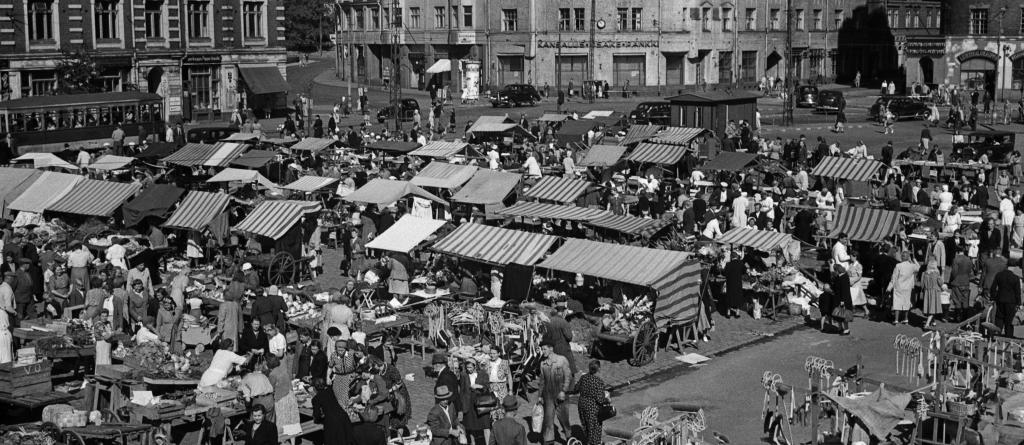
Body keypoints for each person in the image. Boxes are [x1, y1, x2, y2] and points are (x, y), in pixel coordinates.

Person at [538, 340, 572, 445]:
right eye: (541, 349)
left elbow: (568, 376)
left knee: (564, 418)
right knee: (548, 420)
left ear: (551, 348)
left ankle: (569, 438)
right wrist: (540, 396)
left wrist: (563, 391)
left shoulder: (561, 360)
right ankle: (549, 441)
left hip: (560, 394)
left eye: (544, 349)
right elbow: (542, 381)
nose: (542, 351)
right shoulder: (543, 364)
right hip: (548, 396)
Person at [311, 377, 353, 445]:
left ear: (314, 388)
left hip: (332, 422)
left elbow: (317, 415)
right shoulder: (330, 391)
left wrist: (319, 420)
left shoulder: (316, 398)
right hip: (343, 417)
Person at [576, 360, 609, 445]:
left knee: (586, 426)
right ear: (599, 369)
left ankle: (589, 441)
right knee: (595, 428)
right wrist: (608, 399)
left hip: (582, 404)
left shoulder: (583, 377)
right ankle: (595, 443)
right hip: (592, 407)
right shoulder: (598, 382)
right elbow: (600, 400)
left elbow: (576, 388)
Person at [267, 355, 302, 435]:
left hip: (281, 398)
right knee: (292, 421)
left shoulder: (272, 374)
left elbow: (270, 388)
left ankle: (282, 440)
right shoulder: (283, 370)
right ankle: (293, 442)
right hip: (290, 396)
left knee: (282, 421)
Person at [460, 359, 492, 445]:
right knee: (470, 425)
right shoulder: (463, 375)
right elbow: (462, 390)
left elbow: (487, 386)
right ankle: (473, 443)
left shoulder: (483, 374)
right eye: (467, 367)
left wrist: (479, 386)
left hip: (481, 401)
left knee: (485, 425)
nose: (468, 369)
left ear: (475, 366)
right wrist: (462, 404)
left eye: (470, 367)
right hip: (469, 402)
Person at [887, 251, 920, 324]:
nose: (902, 257)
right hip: (908, 287)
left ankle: (896, 319)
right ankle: (906, 319)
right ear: (908, 257)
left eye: (902, 256)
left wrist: (889, 287)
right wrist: (913, 260)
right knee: (906, 303)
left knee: (897, 303)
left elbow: (894, 278)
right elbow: (919, 268)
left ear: (902, 257)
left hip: (898, 286)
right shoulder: (912, 266)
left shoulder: (898, 265)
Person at [544, 301, 576, 375]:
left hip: (552, 352)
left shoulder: (549, 321)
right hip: (563, 352)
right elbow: (569, 337)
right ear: (564, 311)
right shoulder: (564, 322)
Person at [992, 266, 1022, 338]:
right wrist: (1018, 303)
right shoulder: (1015, 277)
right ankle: (1008, 336)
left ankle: (997, 334)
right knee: (1009, 319)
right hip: (1011, 301)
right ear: (1013, 268)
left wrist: (994, 297)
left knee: (999, 317)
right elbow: (1018, 292)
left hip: (1000, 299)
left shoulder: (999, 275)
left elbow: (993, 288)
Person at [485, 346, 512, 421]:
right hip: (491, 387)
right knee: (492, 408)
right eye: (491, 353)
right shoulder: (487, 363)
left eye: (494, 353)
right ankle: (494, 426)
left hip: (502, 388)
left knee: (502, 408)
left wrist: (510, 390)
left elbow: (509, 376)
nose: (492, 355)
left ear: (499, 354)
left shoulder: (504, 362)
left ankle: (502, 426)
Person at [218, 281, 243, 350]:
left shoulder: (223, 305)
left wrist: (219, 331)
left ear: (224, 297)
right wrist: (240, 330)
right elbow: (240, 318)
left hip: (226, 329)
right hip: (234, 328)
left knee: (226, 346)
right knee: (233, 345)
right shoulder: (236, 305)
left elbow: (221, 319)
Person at [723, 250, 746, 318]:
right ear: (737, 256)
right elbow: (744, 272)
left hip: (730, 283)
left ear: (731, 257)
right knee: (738, 297)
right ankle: (737, 313)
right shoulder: (741, 263)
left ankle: (728, 312)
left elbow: (724, 273)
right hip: (738, 283)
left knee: (730, 297)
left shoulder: (728, 264)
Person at [922, 261, 944, 328]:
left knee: (930, 307)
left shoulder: (924, 273)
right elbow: (941, 283)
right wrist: (942, 273)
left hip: (927, 292)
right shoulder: (936, 273)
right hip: (934, 292)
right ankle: (927, 324)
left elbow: (922, 284)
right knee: (932, 308)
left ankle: (933, 321)